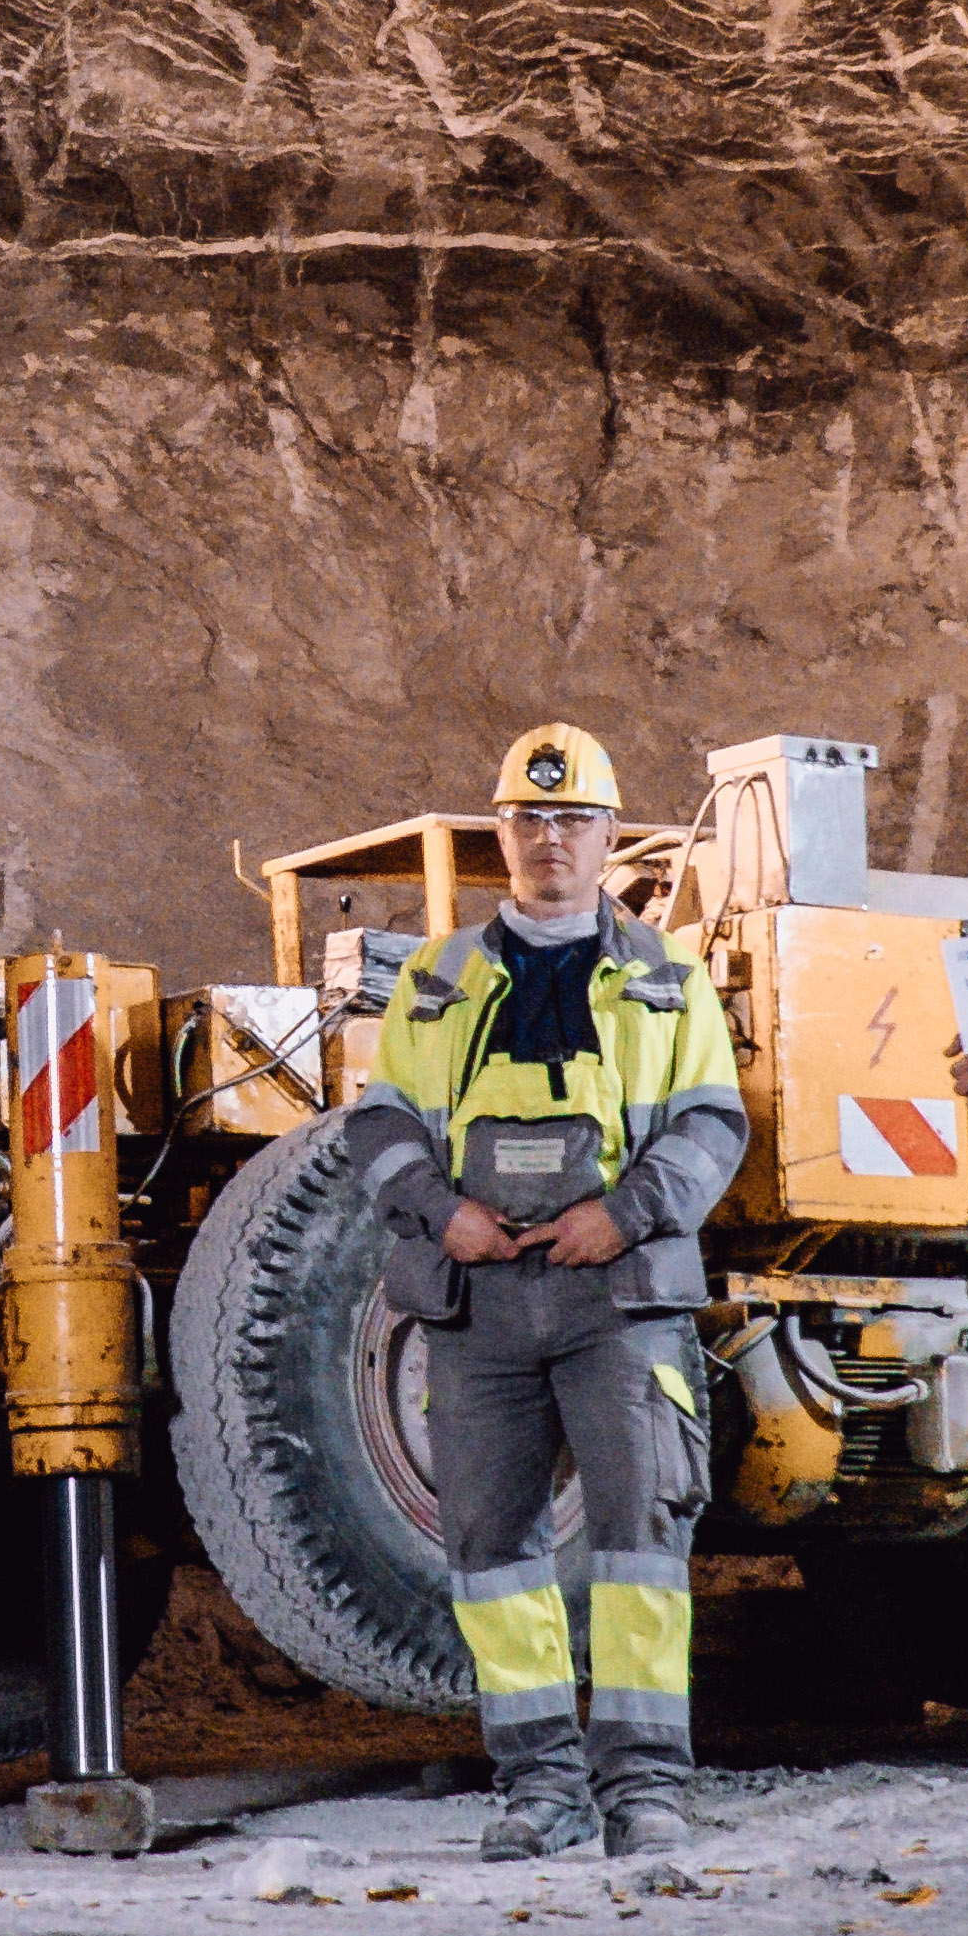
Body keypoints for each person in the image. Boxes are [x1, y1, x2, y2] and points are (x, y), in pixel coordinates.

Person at [336, 724, 754, 1860]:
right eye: (528, 818)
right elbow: (378, 1123)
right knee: (494, 1550)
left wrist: (626, 1211)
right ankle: (539, 1788)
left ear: (610, 837)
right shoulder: (436, 978)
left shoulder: (669, 976)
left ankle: (645, 1789)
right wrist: (440, 1208)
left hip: (616, 1297)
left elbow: (716, 1120)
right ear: (501, 836)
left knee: (637, 1542)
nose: (550, 839)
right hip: (477, 1301)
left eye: (572, 820)